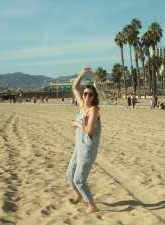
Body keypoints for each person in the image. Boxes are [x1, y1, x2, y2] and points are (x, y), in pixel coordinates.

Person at [67, 67, 101, 214]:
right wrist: (82, 73)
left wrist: (77, 124)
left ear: (94, 97)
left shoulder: (94, 110)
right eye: (85, 94)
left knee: (79, 180)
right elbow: (75, 87)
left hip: (87, 149)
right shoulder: (81, 105)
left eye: (90, 95)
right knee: (69, 175)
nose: (87, 96)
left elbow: (89, 130)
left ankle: (92, 205)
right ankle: (80, 195)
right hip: (78, 147)